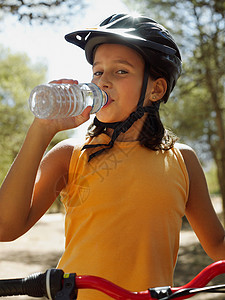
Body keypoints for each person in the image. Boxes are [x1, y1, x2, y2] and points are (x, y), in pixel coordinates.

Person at [0, 13, 225, 300]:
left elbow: (217, 244)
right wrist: (42, 130)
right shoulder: (69, 154)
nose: (103, 81)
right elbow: (5, 227)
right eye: (97, 71)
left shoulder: (183, 160)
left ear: (155, 89)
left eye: (120, 72)